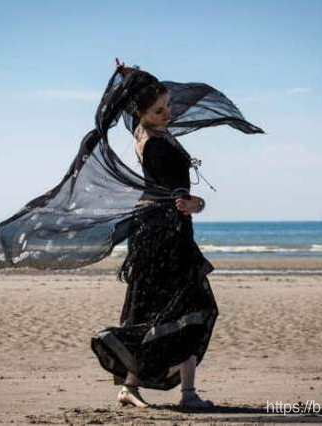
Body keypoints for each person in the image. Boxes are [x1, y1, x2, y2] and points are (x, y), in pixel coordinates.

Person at [90, 61, 219, 409]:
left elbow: (177, 194)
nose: (167, 114)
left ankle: (141, 388)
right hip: (161, 233)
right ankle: (176, 393)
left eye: (167, 106)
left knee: (179, 309)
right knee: (181, 308)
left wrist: (132, 77)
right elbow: (175, 194)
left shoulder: (153, 130)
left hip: (168, 230)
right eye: (158, 110)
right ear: (140, 114)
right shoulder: (150, 140)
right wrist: (194, 203)